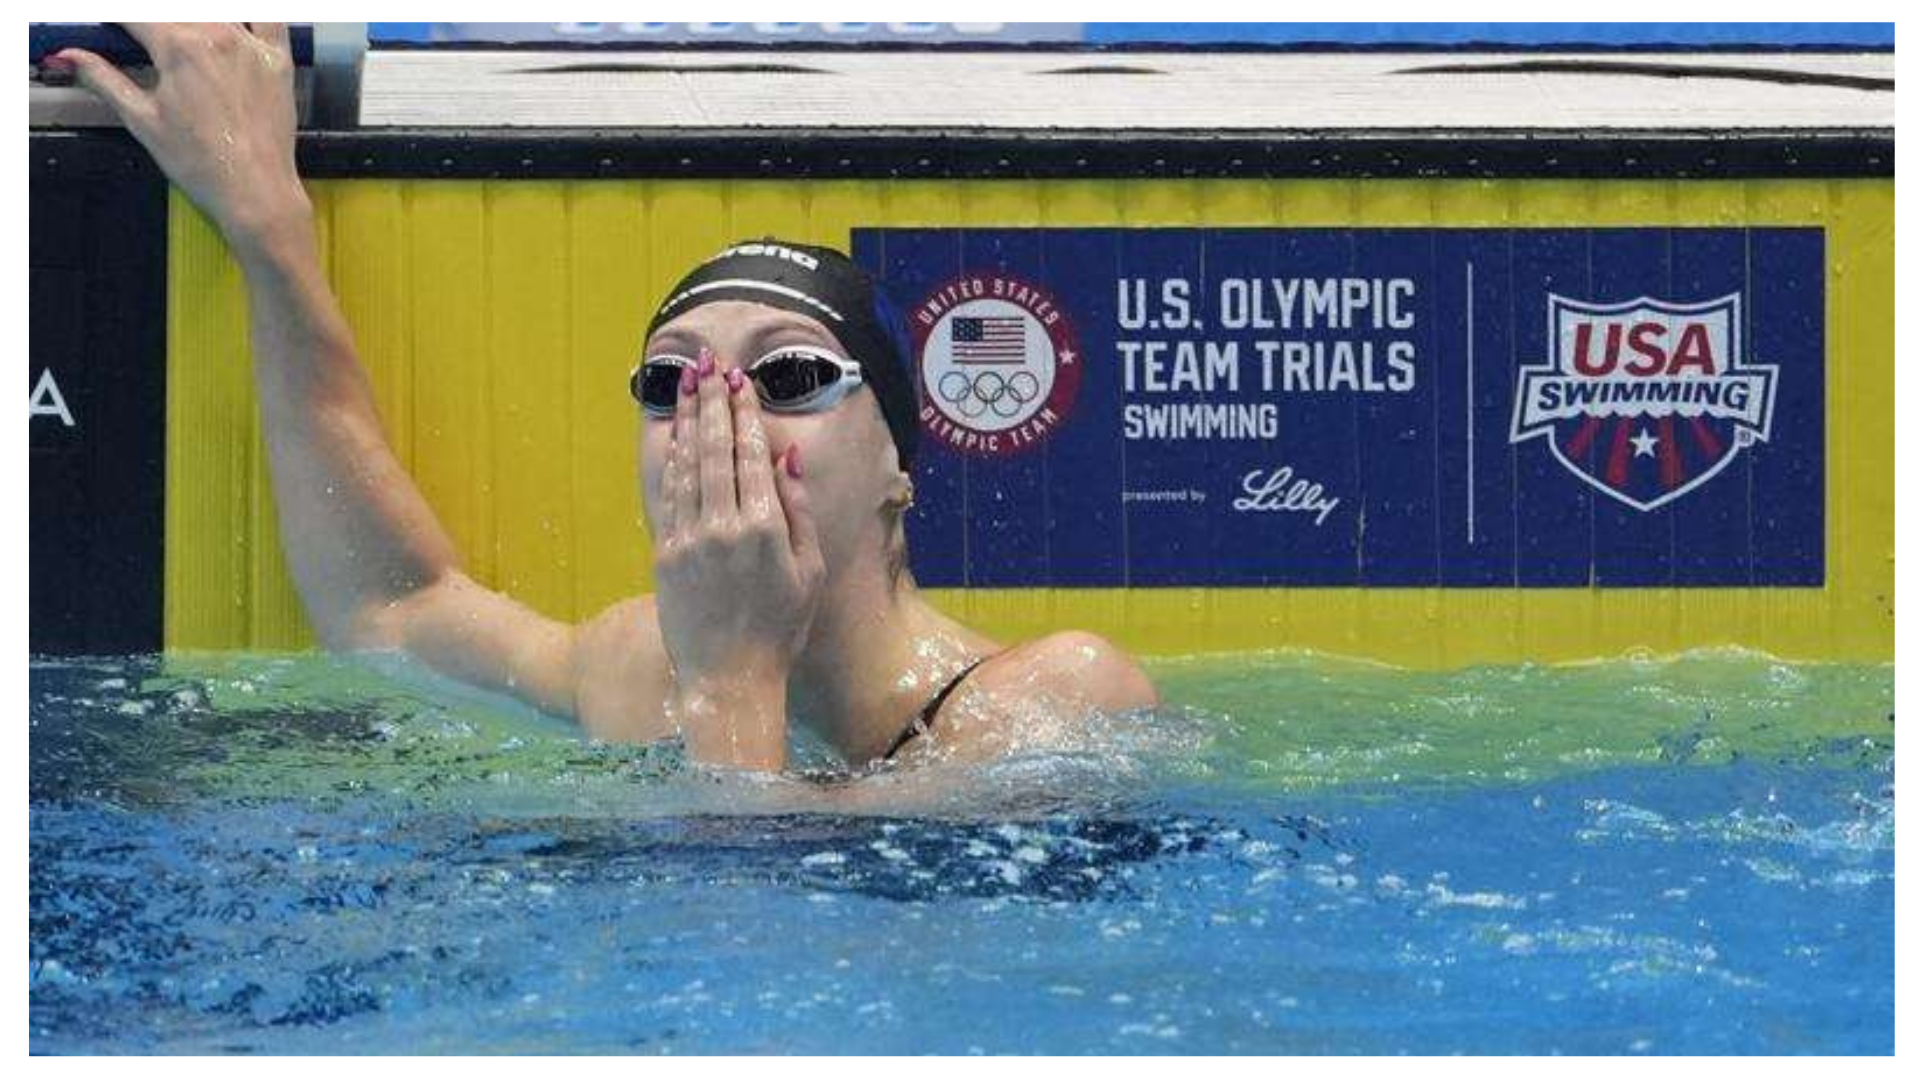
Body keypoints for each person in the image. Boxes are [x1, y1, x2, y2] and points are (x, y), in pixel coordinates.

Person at [49, 23, 1159, 775]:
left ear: (900, 472)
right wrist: (266, 232)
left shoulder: (1047, 710)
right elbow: (386, 606)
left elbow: (752, 981)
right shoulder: (637, 668)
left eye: (787, 377)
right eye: (671, 382)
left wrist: (733, 680)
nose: (720, 417)